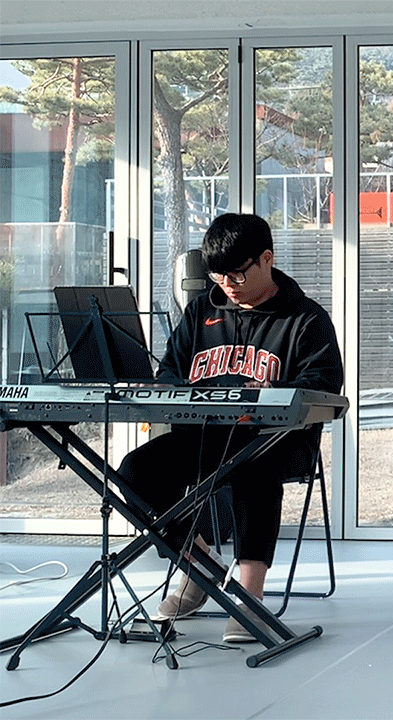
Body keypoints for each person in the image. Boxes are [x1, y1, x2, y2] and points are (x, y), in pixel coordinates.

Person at [117, 213, 343, 643]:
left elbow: (324, 388)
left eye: (237, 273)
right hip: (201, 438)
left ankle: (248, 598)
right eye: (218, 274)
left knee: (251, 467)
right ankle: (197, 563)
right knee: (134, 471)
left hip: (276, 441)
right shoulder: (203, 309)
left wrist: (275, 392)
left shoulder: (306, 319)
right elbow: (171, 373)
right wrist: (161, 389)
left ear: (266, 260)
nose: (227, 284)